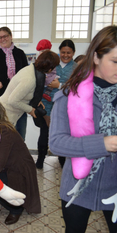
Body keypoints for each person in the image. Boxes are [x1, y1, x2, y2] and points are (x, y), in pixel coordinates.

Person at [49, 25, 117, 233]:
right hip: (77, 189)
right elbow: (56, 143)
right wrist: (100, 144)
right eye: (116, 61)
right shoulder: (69, 95)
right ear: (96, 58)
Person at [0, 50, 60, 139]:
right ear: (49, 69)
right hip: (7, 114)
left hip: (17, 111)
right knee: (9, 145)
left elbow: (26, 93)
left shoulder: (33, 70)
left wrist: (35, 101)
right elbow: (12, 100)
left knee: (19, 142)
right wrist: (31, 110)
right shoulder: (30, 79)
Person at [36, 39, 77, 169]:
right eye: (63, 52)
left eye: (69, 52)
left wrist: (59, 85)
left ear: (73, 53)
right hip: (45, 104)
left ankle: (62, 160)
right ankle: (40, 159)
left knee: (62, 133)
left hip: (64, 105)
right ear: (59, 51)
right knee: (44, 132)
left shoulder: (76, 68)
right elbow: (40, 79)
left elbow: (78, 87)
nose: (65, 55)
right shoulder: (53, 63)